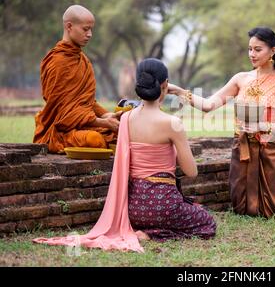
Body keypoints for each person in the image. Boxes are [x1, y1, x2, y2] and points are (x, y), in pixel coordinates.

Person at [33, 58, 216, 252]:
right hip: (164, 205)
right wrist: (174, 147)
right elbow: (191, 171)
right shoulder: (172, 123)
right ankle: (152, 233)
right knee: (207, 222)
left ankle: (146, 229)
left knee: (182, 211)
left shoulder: (126, 118)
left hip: (133, 209)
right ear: (165, 85)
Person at [169, 27, 275, 218]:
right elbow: (209, 104)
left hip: (272, 151)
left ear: (273, 51)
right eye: (250, 49)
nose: (252, 54)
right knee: (241, 207)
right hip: (242, 147)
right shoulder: (241, 79)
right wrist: (179, 92)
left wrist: (261, 126)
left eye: (258, 49)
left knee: (272, 210)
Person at [33, 5, 121, 153]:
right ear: (69, 26)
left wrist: (107, 115)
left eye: (91, 29)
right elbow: (62, 113)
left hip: (84, 123)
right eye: (85, 29)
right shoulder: (57, 62)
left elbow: (87, 102)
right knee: (95, 140)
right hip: (59, 131)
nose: (90, 34)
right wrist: (104, 123)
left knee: (123, 135)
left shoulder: (83, 60)